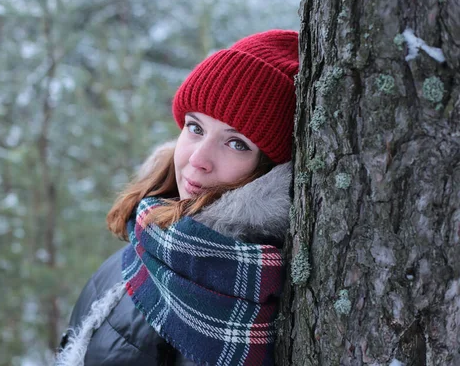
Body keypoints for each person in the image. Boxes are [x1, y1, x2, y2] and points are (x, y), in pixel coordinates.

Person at [56, 30, 299, 366]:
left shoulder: (259, 290)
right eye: (195, 127)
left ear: (271, 171)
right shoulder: (150, 231)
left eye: (236, 143)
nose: (198, 158)